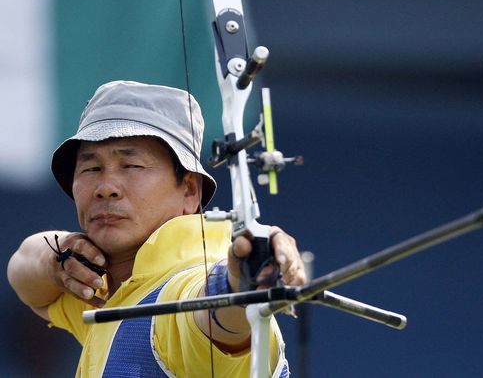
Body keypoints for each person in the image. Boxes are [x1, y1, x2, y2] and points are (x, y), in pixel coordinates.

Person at [7, 80, 306, 377]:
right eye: (91, 168)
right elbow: (22, 271)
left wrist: (241, 285)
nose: (106, 188)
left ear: (190, 191)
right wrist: (57, 258)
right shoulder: (106, 291)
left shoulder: (180, 288)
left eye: (132, 166)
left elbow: (214, 314)